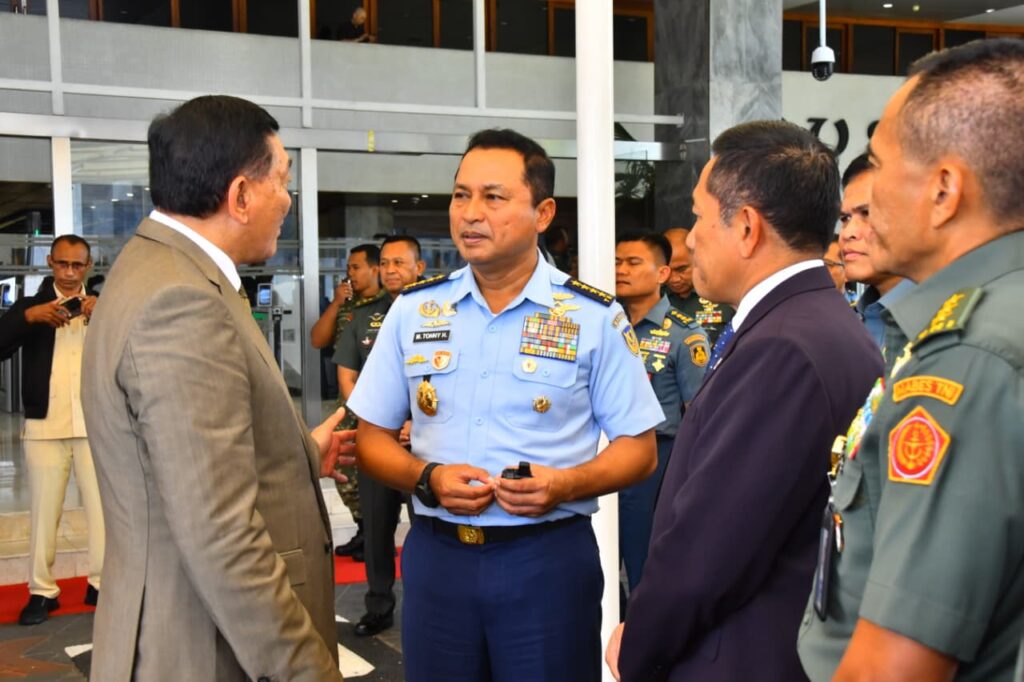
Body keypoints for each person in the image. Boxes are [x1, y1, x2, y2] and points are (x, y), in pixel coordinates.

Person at [346, 128, 663, 681]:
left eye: (493, 197)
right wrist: (426, 478)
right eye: (460, 195)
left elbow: (639, 450)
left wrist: (565, 485)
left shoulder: (591, 317)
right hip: (438, 561)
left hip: (545, 562)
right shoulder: (415, 310)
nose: (471, 213)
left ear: (543, 213)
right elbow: (370, 438)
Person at [81, 95, 354, 682]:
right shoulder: (181, 301)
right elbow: (220, 533)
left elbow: (182, 467)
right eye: (283, 180)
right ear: (241, 195)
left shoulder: (155, 268)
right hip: (205, 646)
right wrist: (307, 672)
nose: (288, 199)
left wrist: (298, 455)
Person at [607, 120, 882, 682]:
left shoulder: (783, 346)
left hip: (739, 656)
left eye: (700, 217)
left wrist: (640, 648)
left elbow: (709, 550)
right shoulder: (808, 322)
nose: (690, 239)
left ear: (748, 227)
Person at [797, 38, 1024, 682]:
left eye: (879, 164)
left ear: (944, 190)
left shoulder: (966, 359)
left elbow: (895, 668)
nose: (862, 207)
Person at [0, 236, 104, 626]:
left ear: (88, 266)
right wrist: (28, 317)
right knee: (44, 512)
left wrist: (104, 315)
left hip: (95, 425)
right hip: (44, 425)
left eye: (77, 265)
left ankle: (100, 583)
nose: (70, 272)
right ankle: (42, 591)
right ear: (50, 262)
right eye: (62, 264)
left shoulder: (104, 306)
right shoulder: (30, 307)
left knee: (102, 511)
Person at [333, 235, 425, 637]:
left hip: (424, 445)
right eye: (384, 263)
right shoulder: (363, 317)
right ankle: (378, 606)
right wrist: (382, 423)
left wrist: (415, 423)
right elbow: (348, 378)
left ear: (419, 267)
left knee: (426, 529)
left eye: (399, 263)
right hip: (376, 441)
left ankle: (427, 604)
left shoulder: (441, 313)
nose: (390, 270)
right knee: (376, 528)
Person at [613, 231, 708, 591]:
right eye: (616, 262)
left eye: (633, 263)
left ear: (662, 273)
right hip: (602, 453)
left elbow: (697, 413)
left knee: (645, 565)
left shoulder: (685, 334)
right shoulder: (605, 325)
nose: (621, 270)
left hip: (657, 459)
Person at [312, 243, 383, 560]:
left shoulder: (388, 306)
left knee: (371, 471)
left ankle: (374, 534)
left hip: (375, 402)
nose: (350, 274)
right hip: (348, 400)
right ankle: (363, 527)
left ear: (374, 269)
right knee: (343, 468)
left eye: (355, 267)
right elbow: (317, 339)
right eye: (348, 268)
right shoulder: (346, 306)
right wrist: (336, 304)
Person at [838, 152, 914, 350]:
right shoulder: (850, 321)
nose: (848, 233)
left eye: (867, 213)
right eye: (845, 219)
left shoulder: (941, 320)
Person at [663, 226, 734, 344]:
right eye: (668, 271)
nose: (674, 279)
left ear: (698, 258)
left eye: (681, 269)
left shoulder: (724, 294)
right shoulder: (654, 297)